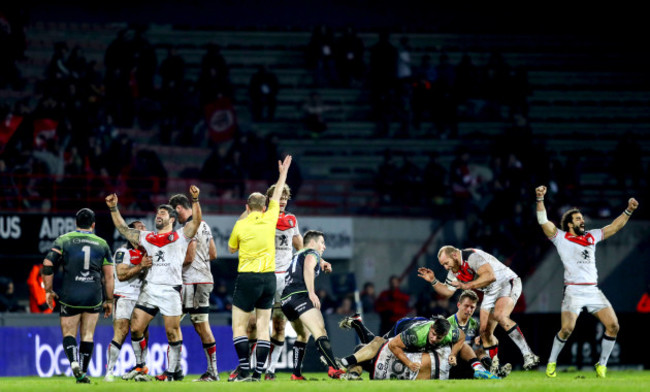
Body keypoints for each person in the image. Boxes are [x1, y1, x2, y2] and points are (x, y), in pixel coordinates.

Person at [535, 185, 639, 378]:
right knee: (566, 329)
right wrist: (540, 199)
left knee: (614, 326)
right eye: (578, 219)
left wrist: (629, 210)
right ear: (569, 224)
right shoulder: (561, 237)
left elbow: (615, 227)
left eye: (582, 218)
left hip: (592, 291)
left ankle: (602, 365)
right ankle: (551, 363)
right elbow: (543, 221)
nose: (582, 221)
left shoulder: (591, 236)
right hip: (573, 291)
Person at [105, 185, 202, 382]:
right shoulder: (147, 237)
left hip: (170, 290)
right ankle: (141, 367)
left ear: (172, 219)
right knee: (135, 328)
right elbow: (124, 229)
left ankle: (173, 372)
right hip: (150, 289)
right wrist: (114, 208)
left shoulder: (181, 235)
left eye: (163, 213)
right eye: (158, 212)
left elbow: (197, 221)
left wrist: (195, 200)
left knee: (172, 331)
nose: (159, 215)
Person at [417, 246, 540, 373]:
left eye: (446, 263)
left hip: (505, 282)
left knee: (500, 316)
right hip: (490, 291)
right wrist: (433, 280)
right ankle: (496, 369)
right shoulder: (454, 271)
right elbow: (447, 292)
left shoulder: (471, 257)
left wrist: (467, 285)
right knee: (484, 331)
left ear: (454, 255)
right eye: (443, 265)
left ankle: (528, 355)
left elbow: (490, 276)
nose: (446, 267)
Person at [227, 155, 292, 381]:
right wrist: (282, 173)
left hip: (248, 278)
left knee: (239, 326)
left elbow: (232, 249)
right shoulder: (271, 216)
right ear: (265, 207)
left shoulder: (240, 224)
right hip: (269, 279)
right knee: (264, 327)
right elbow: (277, 193)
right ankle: (258, 373)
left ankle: (245, 368)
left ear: (246, 207)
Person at [41, 208, 114, 383]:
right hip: (93, 295)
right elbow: (109, 276)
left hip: (70, 294)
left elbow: (48, 263)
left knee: (68, 333)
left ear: (76, 223)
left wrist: (49, 290)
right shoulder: (102, 244)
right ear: (93, 225)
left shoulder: (64, 240)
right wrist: (110, 299)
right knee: (88, 335)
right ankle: (82, 371)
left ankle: (74, 363)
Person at [339, 312, 497, 380]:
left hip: (423, 322)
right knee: (377, 343)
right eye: (433, 335)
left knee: (368, 349)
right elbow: (394, 346)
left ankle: (480, 368)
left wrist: (452, 354)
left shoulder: (449, 333)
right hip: (404, 326)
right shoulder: (415, 335)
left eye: (438, 337)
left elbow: (461, 337)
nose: (435, 339)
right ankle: (357, 323)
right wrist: (408, 363)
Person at [280, 230, 344, 380]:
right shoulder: (312, 253)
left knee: (303, 335)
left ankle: (296, 374)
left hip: (286, 300)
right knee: (320, 331)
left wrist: (322, 262)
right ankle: (334, 369)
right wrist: (311, 292)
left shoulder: (297, 255)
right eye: (322, 242)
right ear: (313, 243)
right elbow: (309, 267)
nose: (324, 246)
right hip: (300, 296)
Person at [169, 193, 219, 382]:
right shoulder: (204, 225)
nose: (173, 218)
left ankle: (175, 370)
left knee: (174, 322)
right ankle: (209, 371)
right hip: (204, 280)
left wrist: (170, 265)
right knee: (197, 325)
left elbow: (189, 257)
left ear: (179, 208)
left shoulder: (189, 227)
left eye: (174, 213)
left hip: (192, 282)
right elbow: (213, 253)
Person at [105, 221, 153, 382]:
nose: (144, 230)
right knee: (121, 332)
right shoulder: (123, 252)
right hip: (124, 297)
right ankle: (109, 372)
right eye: (140, 228)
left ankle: (141, 370)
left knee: (142, 333)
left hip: (142, 298)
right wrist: (141, 266)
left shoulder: (148, 253)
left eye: (145, 228)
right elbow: (121, 274)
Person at [447, 290, 511, 379]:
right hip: (452, 363)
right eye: (466, 306)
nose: (469, 310)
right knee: (464, 345)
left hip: (470, 362)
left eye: (472, 307)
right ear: (459, 305)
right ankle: (492, 370)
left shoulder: (475, 324)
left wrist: (481, 339)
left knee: (482, 347)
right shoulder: (448, 323)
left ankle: (495, 369)